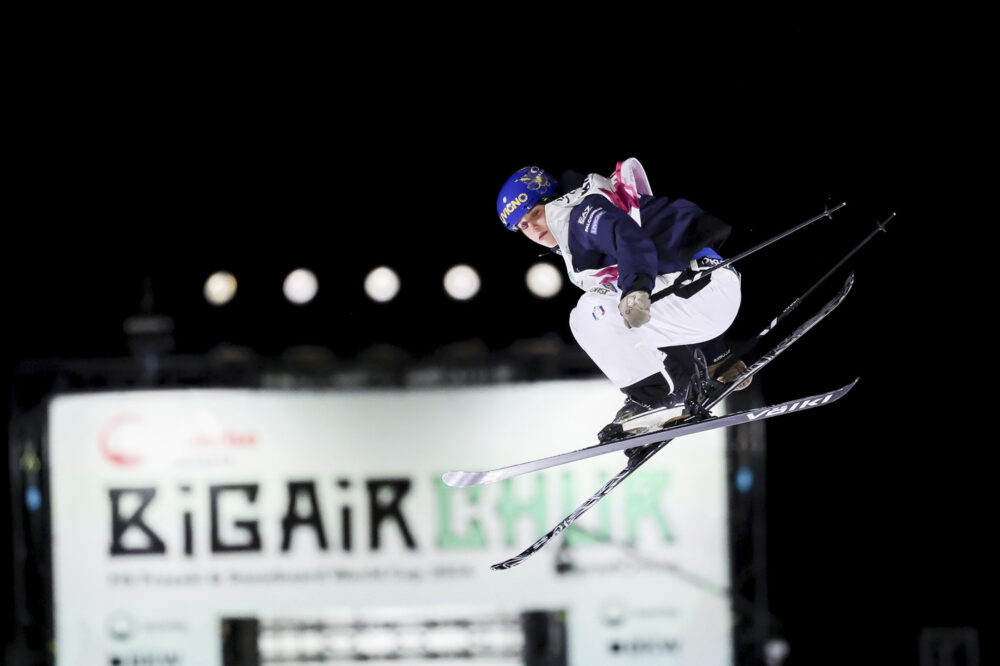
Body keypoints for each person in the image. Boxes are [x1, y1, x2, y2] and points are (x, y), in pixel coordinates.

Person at [496, 159, 750, 446]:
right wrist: (719, 357)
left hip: (702, 290)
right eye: (523, 225)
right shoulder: (581, 214)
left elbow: (628, 237)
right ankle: (705, 368)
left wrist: (636, 288)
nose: (534, 228)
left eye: (536, 212)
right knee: (612, 308)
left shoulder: (581, 215)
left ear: (552, 200)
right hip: (704, 293)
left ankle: (656, 399)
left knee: (590, 313)